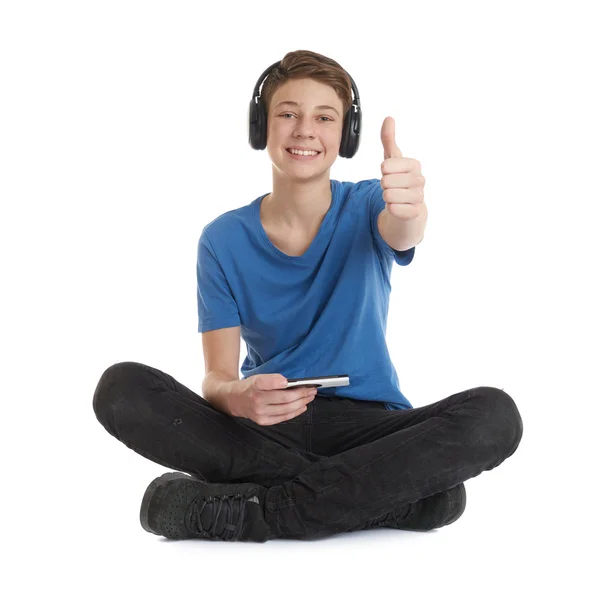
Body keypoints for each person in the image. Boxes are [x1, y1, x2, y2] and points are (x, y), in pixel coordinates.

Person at [92, 49, 523, 543]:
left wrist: (409, 208)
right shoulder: (221, 240)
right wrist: (237, 396)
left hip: (371, 426)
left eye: (324, 117)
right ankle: (375, 495)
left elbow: (402, 229)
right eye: (288, 114)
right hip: (267, 425)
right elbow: (216, 378)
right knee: (121, 388)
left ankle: (256, 511)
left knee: (495, 416)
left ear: (345, 135)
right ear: (263, 128)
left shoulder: (368, 203)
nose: (304, 130)